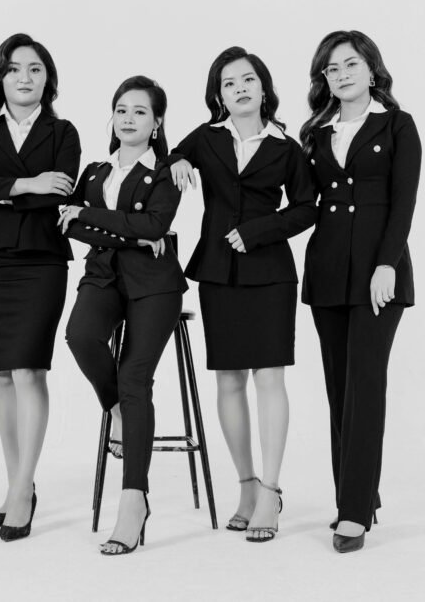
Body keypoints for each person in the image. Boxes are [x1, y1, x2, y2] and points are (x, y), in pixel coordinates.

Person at [170, 47, 315, 543]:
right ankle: (247, 487)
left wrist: (258, 231)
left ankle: (272, 492)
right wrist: (177, 163)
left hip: (270, 273)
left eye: (248, 79)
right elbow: (172, 152)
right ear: (219, 95)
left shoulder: (286, 147)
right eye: (229, 83)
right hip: (217, 273)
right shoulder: (206, 138)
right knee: (229, 379)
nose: (240, 88)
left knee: (268, 377)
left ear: (263, 87)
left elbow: (305, 208)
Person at [0, 33, 80, 542]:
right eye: (14, 69)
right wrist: (27, 184)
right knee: (3, 374)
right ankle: (16, 485)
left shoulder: (63, 131)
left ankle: (23, 486)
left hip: (41, 262)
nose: (24, 78)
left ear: (48, 79)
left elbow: (63, 187)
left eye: (35, 69)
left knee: (29, 370)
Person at [299, 30, 422, 553]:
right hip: (328, 271)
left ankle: (353, 513)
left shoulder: (397, 125)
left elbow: (404, 202)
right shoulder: (315, 133)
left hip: (379, 273)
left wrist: (386, 265)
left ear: (371, 69)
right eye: (331, 68)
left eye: (350, 64)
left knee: (365, 384)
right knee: (338, 387)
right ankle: (356, 495)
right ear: (323, 79)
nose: (342, 74)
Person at [60, 76, 187, 555]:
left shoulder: (168, 172)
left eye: (140, 111)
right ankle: (113, 408)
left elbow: (156, 225)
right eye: (121, 110)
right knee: (80, 336)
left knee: (137, 376)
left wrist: (96, 221)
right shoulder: (94, 171)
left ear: (156, 124)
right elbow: (67, 224)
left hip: (154, 285)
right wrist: (130, 233)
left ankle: (133, 500)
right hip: (103, 277)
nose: (128, 119)